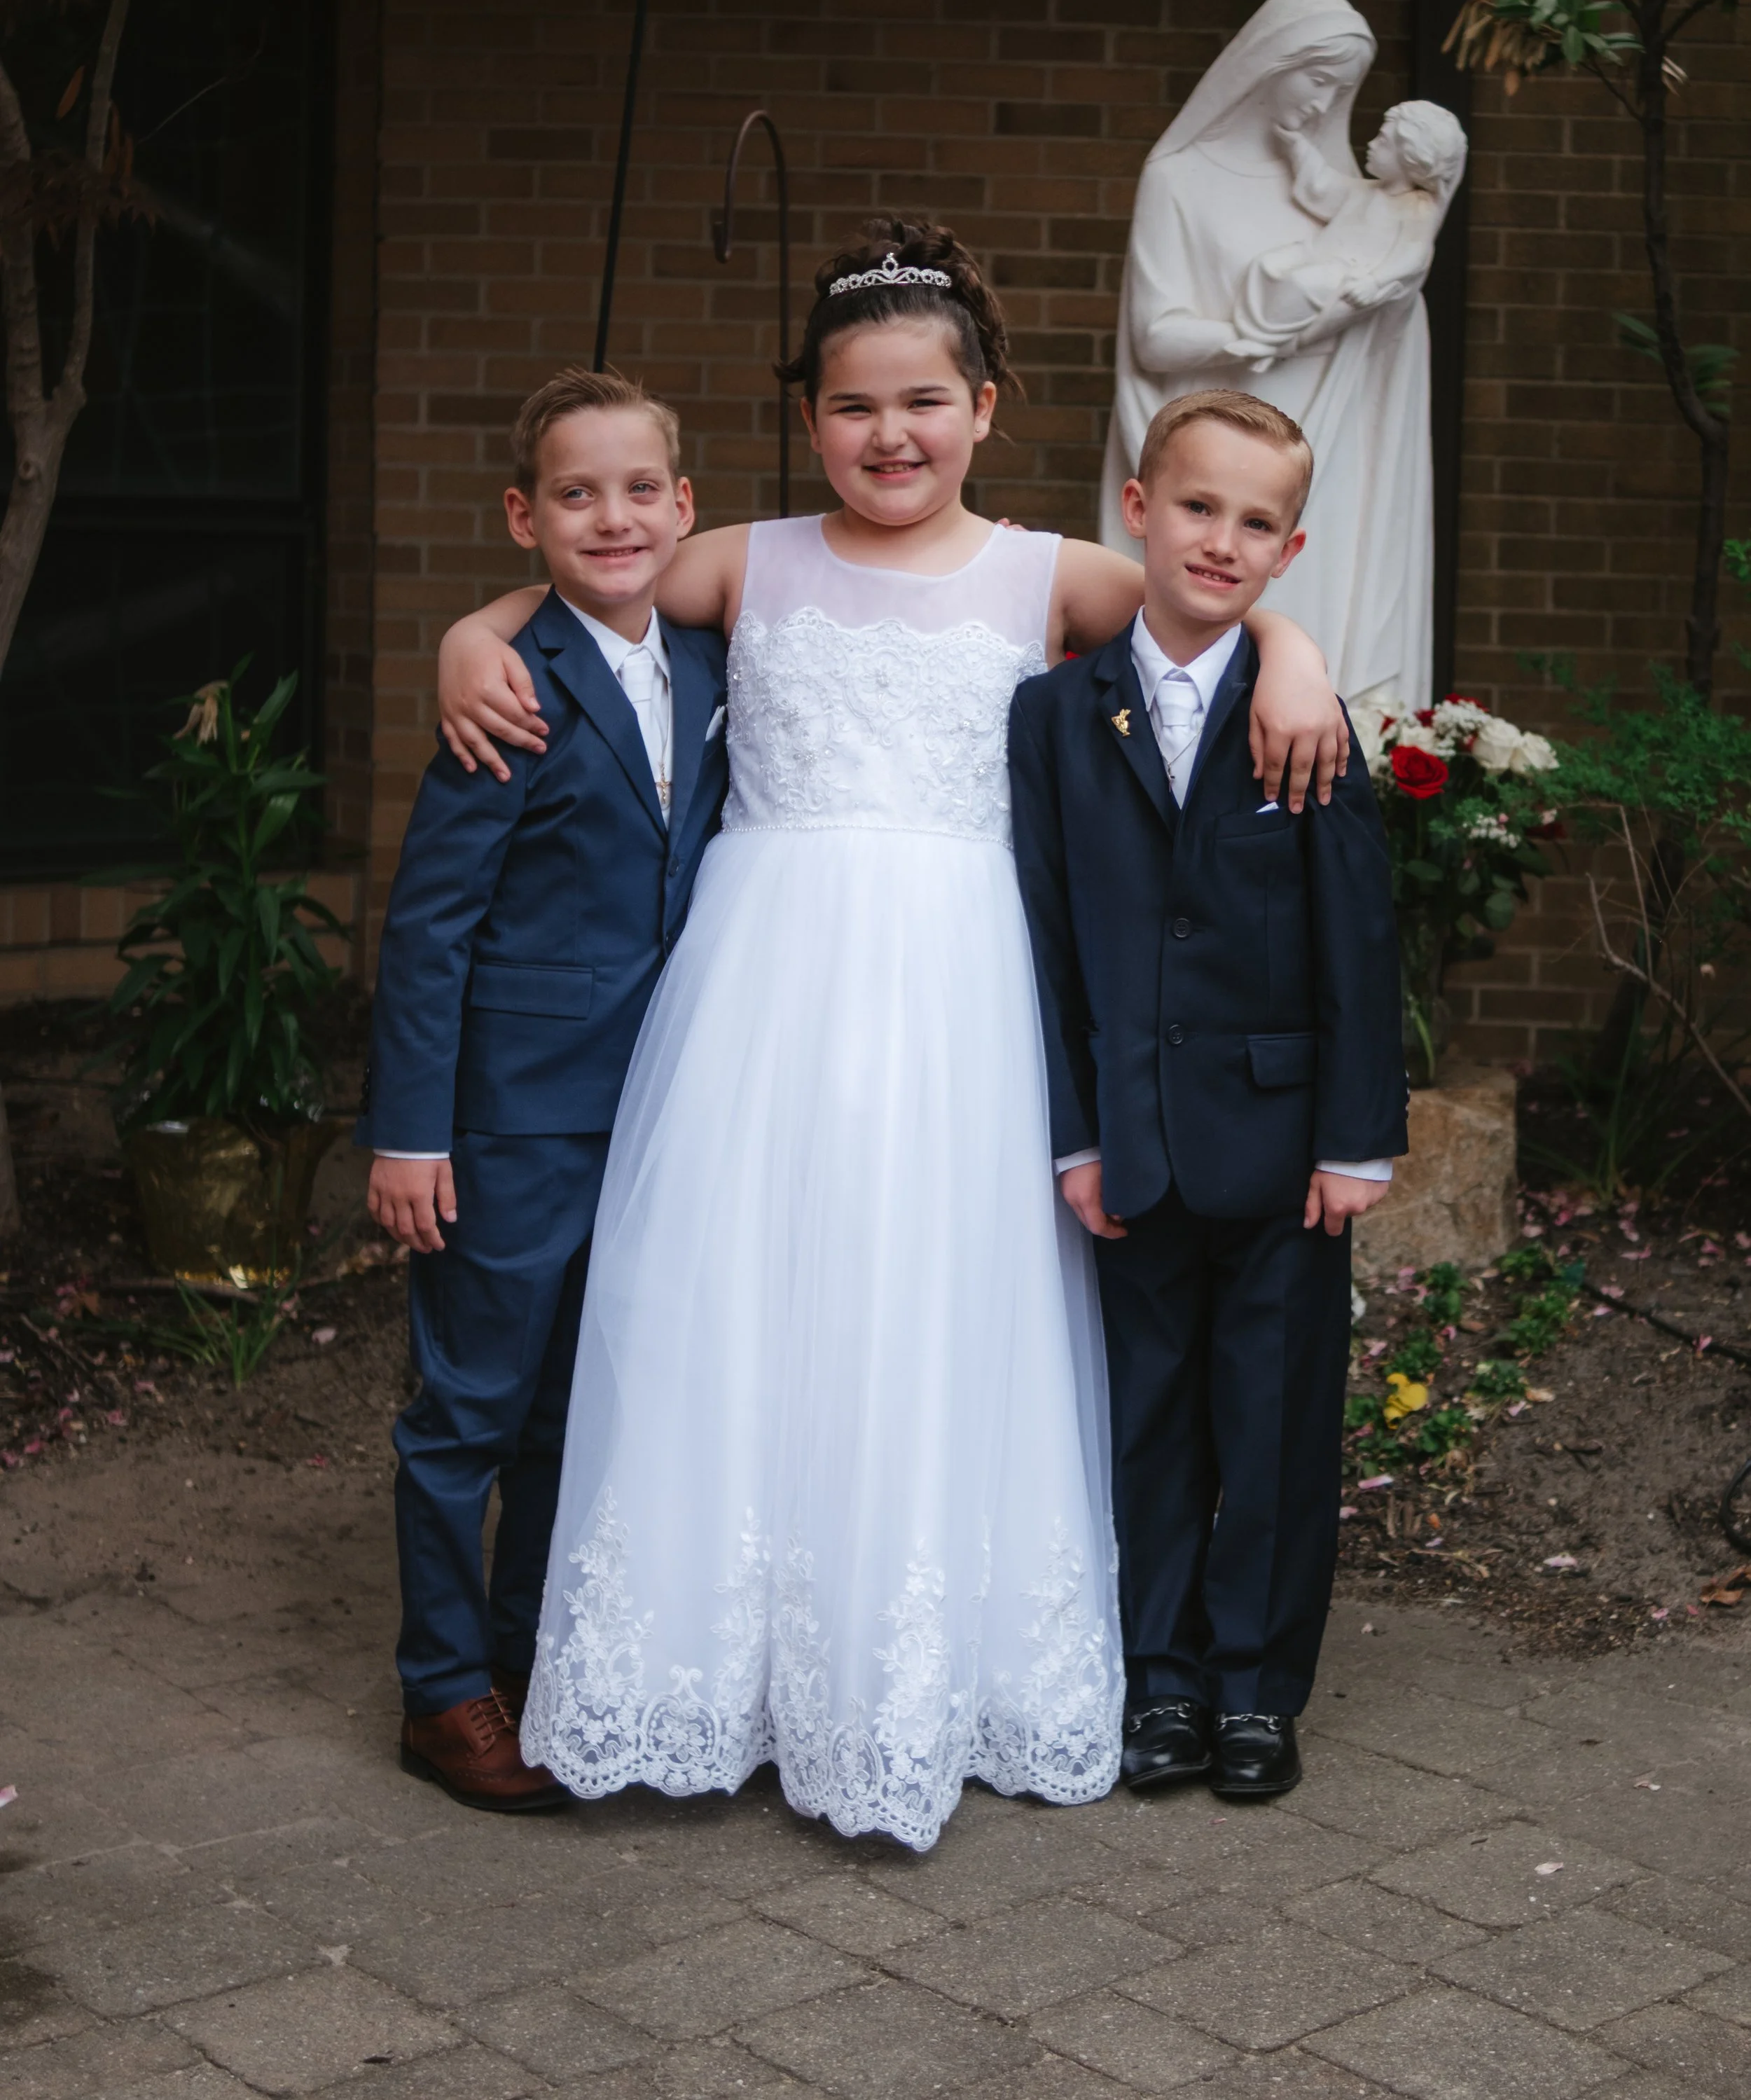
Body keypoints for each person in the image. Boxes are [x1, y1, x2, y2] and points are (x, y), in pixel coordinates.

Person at [431, 221, 1347, 1852]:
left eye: (926, 400)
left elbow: (1209, 596)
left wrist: (1301, 650)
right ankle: (726, 1668)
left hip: (956, 995)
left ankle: (908, 1661)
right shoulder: (753, 559)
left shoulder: (1041, 571)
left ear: (986, 406)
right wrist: (466, 635)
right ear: (807, 420)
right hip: (760, 995)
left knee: (931, 1300)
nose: (891, 434)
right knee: (738, 1296)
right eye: (854, 406)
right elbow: (591, 585)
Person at [1010, 388, 1406, 1805]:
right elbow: (1045, 942)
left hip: (1283, 1142)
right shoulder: (1055, 717)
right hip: (1128, 1144)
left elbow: (1357, 941)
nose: (1220, 541)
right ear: (1134, 508)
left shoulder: (1301, 718)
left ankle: (1254, 1688)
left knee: (1276, 1424)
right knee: (1144, 1422)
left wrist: (1357, 1137)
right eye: (1196, 507)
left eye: (1255, 523)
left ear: (1288, 551)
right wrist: (1071, 1131)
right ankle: (1158, 1680)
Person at [358, 369, 730, 1812]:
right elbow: (430, 922)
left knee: (575, 1409)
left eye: (641, 489)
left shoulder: (708, 663)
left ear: (684, 506)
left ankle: (523, 1661)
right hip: (512, 1116)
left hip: (660, 1114)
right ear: (525, 517)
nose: (613, 517)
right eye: (574, 494)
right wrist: (409, 1131)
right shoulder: (508, 683)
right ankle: (442, 1691)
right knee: (468, 1406)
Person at [1101, 0, 1447, 711]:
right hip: (1215, 451)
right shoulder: (1179, 181)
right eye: (1317, 78)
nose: (1326, 103)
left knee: (1322, 637)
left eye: (1344, 88)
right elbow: (1154, 335)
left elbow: (1391, 304)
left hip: (1336, 447)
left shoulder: (1361, 199)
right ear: (1268, 64)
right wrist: (1252, 336)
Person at [1233, 101, 1469, 355]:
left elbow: (1415, 256)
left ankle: (1275, 344)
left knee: (1301, 284)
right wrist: (1298, 148)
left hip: (1347, 275)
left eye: (1382, 140)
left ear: (1410, 157)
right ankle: (1256, 331)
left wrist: (1375, 281)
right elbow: (1322, 187)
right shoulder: (1365, 190)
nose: (1371, 144)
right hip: (1317, 252)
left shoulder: (1417, 208)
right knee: (1267, 265)